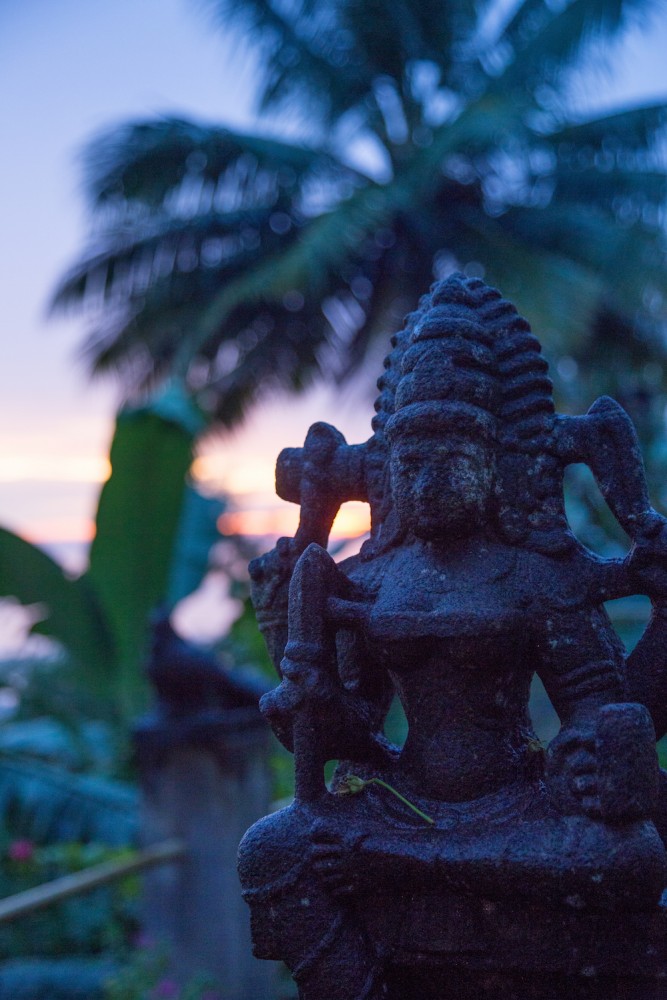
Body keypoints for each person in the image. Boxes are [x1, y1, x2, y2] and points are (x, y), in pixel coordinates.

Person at [239, 274, 667, 1000]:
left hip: (515, 805)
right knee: (269, 850)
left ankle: (409, 866)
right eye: (409, 463)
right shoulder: (368, 581)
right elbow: (352, 729)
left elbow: (602, 708)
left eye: (450, 460)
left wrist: (589, 753)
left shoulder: (537, 573)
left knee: (625, 858)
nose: (427, 480)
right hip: (401, 801)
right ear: (383, 472)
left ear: (495, 465)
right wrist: (303, 685)